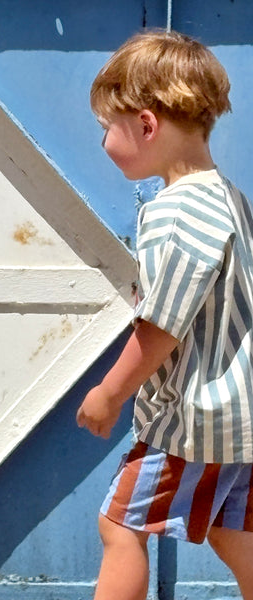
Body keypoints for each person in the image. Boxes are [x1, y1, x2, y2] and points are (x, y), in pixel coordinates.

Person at [76, 30, 253, 600]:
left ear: (146, 125)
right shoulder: (229, 197)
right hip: (242, 420)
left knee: (120, 525)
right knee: (235, 532)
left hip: (191, 423)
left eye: (108, 127)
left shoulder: (173, 210)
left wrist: (109, 392)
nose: (104, 141)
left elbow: (161, 326)